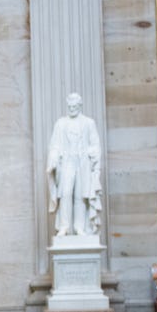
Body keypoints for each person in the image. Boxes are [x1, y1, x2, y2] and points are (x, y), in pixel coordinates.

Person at [45, 93, 102, 237]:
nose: (72, 109)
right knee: (65, 194)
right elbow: (54, 145)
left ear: (80, 106)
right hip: (67, 163)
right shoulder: (60, 124)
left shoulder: (89, 123)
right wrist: (53, 158)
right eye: (70, 107)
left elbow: (95, 145)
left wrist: (90, 154)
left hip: (82, 163)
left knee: (80, 196)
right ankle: (64, 226)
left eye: (75, 106)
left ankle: (79, 227)